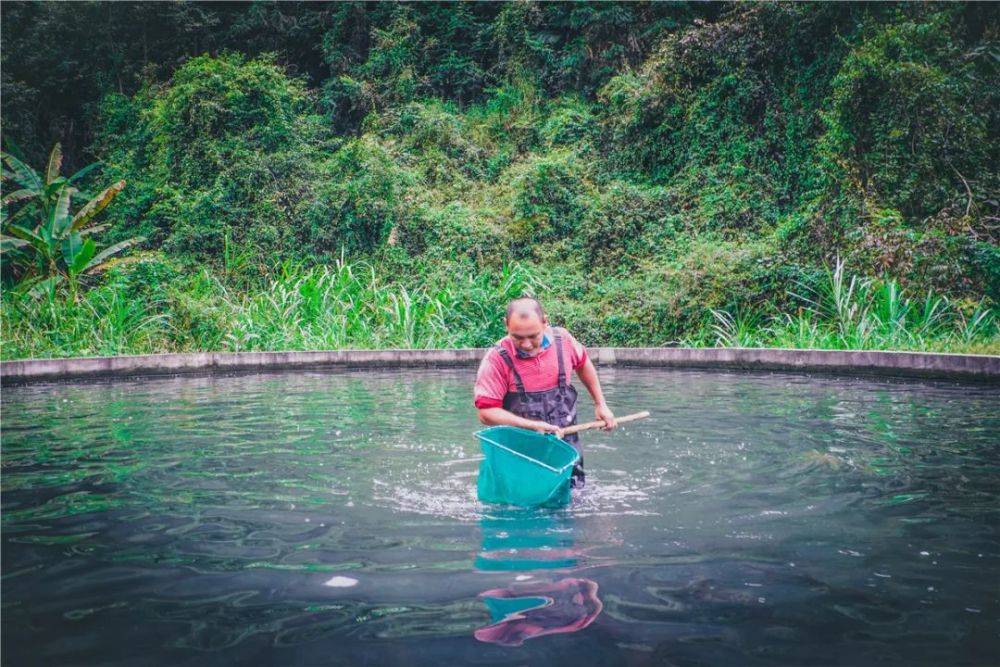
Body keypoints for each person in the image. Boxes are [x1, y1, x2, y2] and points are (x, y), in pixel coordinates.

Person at [474, 297, 616, 488]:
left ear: (545, 322)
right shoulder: (496, 360)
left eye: (533, 336)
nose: (526, 344)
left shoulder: (563, 341)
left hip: (566, 449)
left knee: (575, 498)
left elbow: (583, 364)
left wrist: (600, 403)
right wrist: (531, 425)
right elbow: (486, 412)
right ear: (506, 325)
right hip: (520, 454)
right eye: (517, 337)